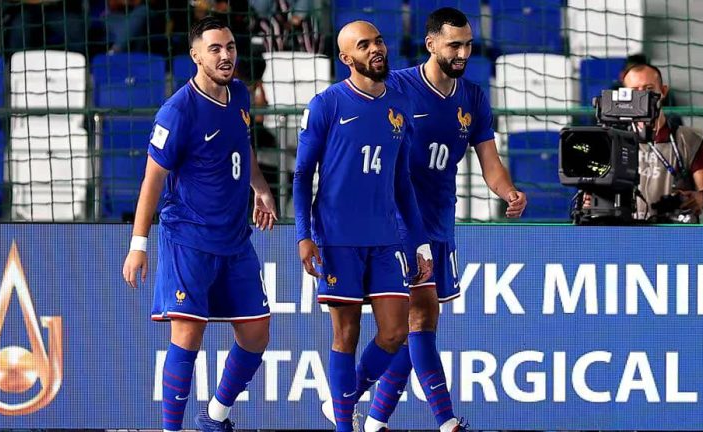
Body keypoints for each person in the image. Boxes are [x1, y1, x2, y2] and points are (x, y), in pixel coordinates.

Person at [359, 8, 527, 432]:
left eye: (468, 44)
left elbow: (490, 163)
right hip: (399, 223)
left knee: (418, 328)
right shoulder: (396, 87)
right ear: (431, 44)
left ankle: (369, 417)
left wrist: (508, 192)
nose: (463, 52)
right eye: (455, 44)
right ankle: (447, 421)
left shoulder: (472, 97)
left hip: (440, 223)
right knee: (416, 320)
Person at [121, 17, 277, 432]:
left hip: (236, 238)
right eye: (215, 49)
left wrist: (259, 187)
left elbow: (242, 147)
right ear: (196, 55)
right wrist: (139, 243)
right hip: (188, 237)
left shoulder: (240, 94)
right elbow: (152, 179)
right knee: (187, 338)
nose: (225, 55)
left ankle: (216, 416)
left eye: (229, 47)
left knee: (257, 333)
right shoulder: (178, 111)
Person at [294, 20, 433, 432]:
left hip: (386, 235)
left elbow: (402, 180)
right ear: (346, 58)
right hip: (337, 237)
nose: (376, 49)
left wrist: (420, 244)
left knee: (394, 332)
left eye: (378, 40)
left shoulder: (401, 103)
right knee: (347, 335)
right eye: (364, 45)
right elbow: (302, 175)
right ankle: (343, 424)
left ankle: (342, 398)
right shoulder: (327, 104)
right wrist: (304, 236)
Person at [620, 62, 703, 222]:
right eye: (634, 91)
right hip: (627, 229)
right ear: (625, 96)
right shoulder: (613, 138)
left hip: (674, 231)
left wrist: (701, 197)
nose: (642, 97)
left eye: (649, 89)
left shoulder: (688, 139)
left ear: (663, 91)